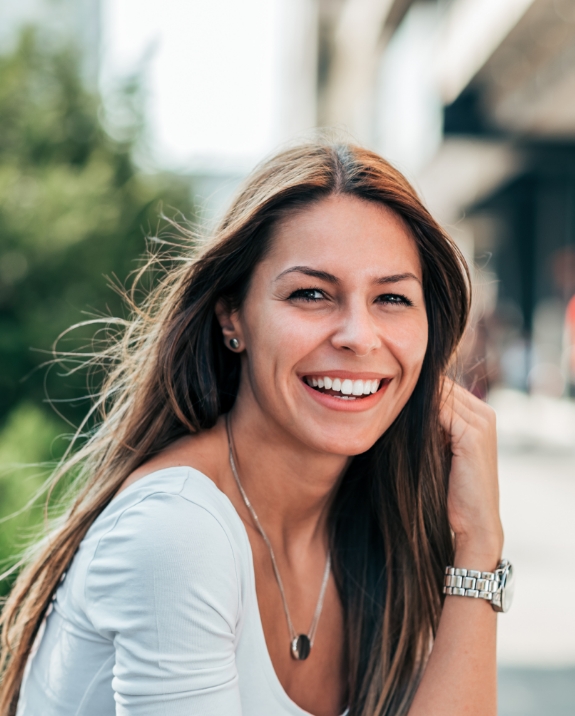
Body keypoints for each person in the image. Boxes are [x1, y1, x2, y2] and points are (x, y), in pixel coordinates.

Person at [0, 142, 512, 716]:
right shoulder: (177, 530)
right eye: (311, 294)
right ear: (232, 317)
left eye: (392, 297)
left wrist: (478, 544)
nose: (359, 336)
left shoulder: (376, 522)